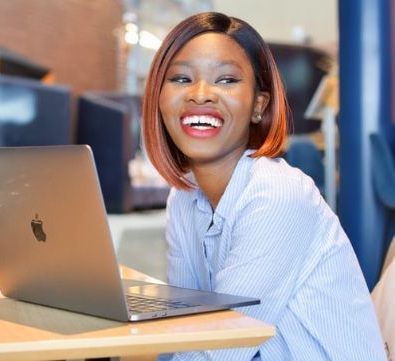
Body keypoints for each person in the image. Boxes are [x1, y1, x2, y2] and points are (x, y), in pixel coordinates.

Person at [142, 12, 386, 360]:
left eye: (226, 80)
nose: (200, 95)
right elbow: (185, 325)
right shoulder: (183, 197)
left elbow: (222, 351)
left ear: (259, 104)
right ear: (158, 97)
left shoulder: (277, 194)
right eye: (181, 78)